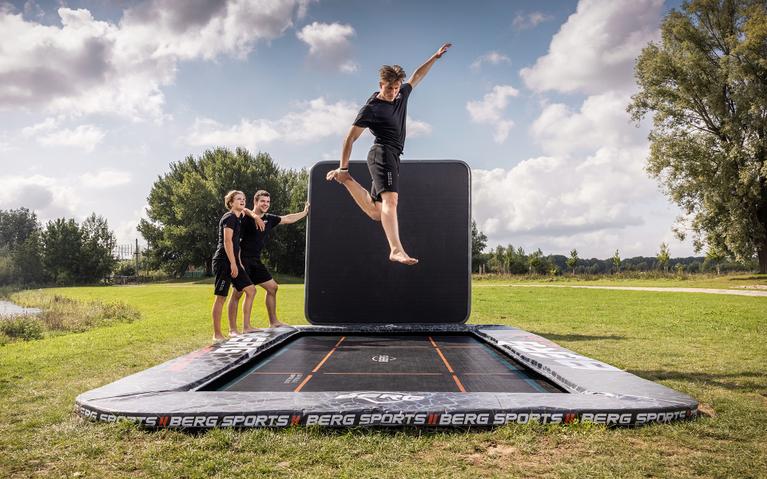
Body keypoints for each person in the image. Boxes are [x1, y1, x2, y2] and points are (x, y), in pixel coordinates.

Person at [326, 43, 451, 265]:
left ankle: (345, 180)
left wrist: (435, 57)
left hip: (393, 155)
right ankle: (396, 250)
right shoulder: (371, 108)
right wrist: (343, 165)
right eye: (389, 88)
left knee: (377, 212)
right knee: (391, 201)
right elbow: (349, 138)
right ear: (380, 85)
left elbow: (417, 75)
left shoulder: (401, 94)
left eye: (396, 87)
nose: (393, 92)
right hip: (381, 153)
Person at [228, 190, 310, 329]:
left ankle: (273, 322)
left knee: (272, 287)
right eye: (262, 201)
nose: (266, 204)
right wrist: (255, 216)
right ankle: (233, 329)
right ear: (255, 202)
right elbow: (244, 210)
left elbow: (287, 218)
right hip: (242, 259)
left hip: (256, 261)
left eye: (268, 202)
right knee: (238, 293)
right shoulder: (244, 217)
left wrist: (304, 212)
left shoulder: (270, 219)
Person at [210, 190, 264, 342]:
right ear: (231, 203)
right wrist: (233, 263)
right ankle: (217, 334)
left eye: (244, 199)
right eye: (238, 199)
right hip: (223, 261)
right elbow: (227, 241)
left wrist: (238, 263)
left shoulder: (239, 218)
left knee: (251, 290)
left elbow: (236, 245)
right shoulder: (230, 217)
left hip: (234, 261)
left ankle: (246, 327)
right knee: (221, 297)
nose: (242, 201)